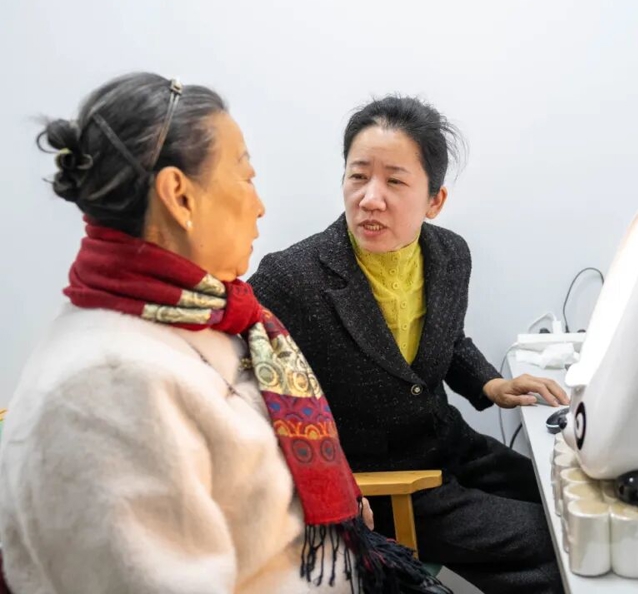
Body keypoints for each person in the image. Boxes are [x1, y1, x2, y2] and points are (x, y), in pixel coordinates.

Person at [0, 73, 446, 594]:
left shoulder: (208, 314)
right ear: (179, 196)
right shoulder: (104, 387)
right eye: (246, 177)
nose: (259, 206)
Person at [249, 96, 569, 593]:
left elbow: (448, 340)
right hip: (389, 487)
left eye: (395, 182)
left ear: (434, 200)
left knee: (569, 499)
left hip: (454, 446)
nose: (370, 199)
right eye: (358, 176)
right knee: (563, 541)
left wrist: (491, 384)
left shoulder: (449, 254)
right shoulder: (290, 278)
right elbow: (246, 391)